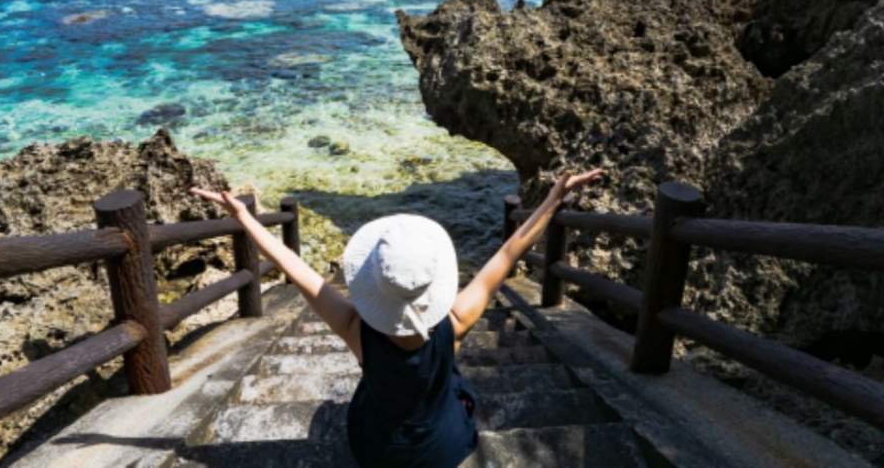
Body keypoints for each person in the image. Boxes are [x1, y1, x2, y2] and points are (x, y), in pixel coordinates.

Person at [191, 167, 603, 467]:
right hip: (444, 450)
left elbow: (295, 268)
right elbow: (509, 253)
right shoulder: (456, 323)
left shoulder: (357, 331)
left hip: (377, 452)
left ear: (375, 287)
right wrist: (551, 200)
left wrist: (243, 217)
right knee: (458, 390)